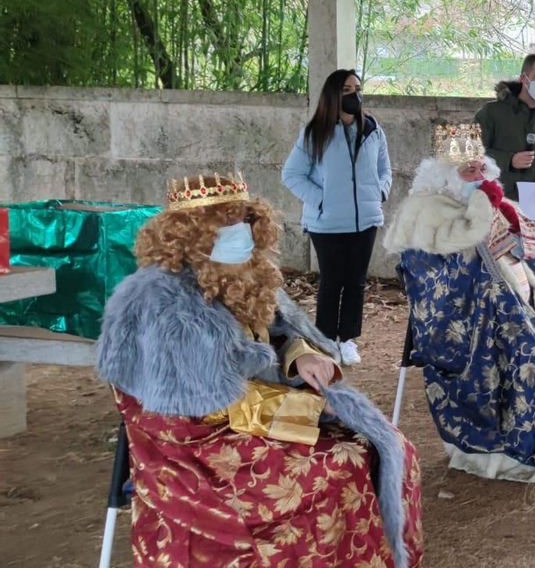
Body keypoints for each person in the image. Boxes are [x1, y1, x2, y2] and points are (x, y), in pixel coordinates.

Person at [96, 172, 423, 567]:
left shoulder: (245, 273)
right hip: (196, 443)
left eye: (245, 221)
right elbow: (206, 402)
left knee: (386, 444)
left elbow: (276, 334)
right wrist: (312, 411)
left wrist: (299, 354)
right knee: (339, 465)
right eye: (226, 223)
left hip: (254, 413)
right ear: (190, 234)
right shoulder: (165, 301)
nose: (241, 232)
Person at [385, 124, 535, 483]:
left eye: (480, 168)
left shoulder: (483, 200)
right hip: (464, 320)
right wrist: (483, 219)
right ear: (444, 178)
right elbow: (438, 286)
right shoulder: (423, 213)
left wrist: (509, 218)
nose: (478, 175)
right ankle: (517, 446)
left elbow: (524, 250)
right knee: (528, 349)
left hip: (509, 303)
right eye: (467, 170)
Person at [281, 68, 392, 364]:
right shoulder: (315, 133)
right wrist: (321, 199)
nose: (354, 94)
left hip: (366, 219)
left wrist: (379, 192)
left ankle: (349, 340)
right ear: (333, 95)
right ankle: (327, 339)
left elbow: (385, 170)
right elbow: (292, 175)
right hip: (327, 223)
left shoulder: (373, 130)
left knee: (356, 282)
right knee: (332, 282)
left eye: (357, 88)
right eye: (346, 89)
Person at [474, 53, 535, 272]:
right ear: (524, 78)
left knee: (528, 282)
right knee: (495, 282)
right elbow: (472, 154)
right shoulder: (492, 113)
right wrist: (508, 159)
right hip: (498, 213)